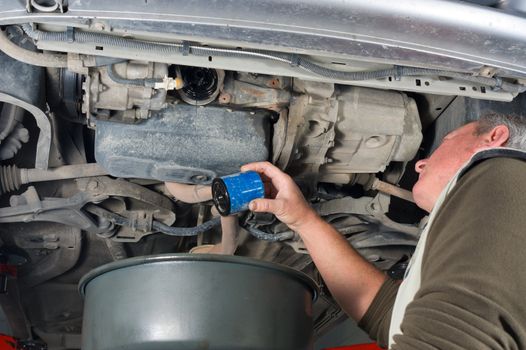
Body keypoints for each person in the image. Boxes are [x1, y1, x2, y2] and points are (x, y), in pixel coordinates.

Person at [241, 112, 526, 349]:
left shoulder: (504, 173)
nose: (421, 163)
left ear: (494, 137)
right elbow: (387, 315)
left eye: (446, 141)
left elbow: (454, 338)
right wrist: (303, 219)